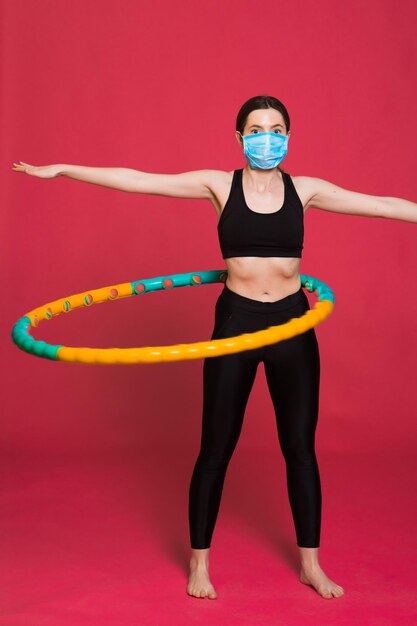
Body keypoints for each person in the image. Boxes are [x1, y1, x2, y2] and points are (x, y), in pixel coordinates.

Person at [12, 94, 417, 601]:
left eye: (274, 128)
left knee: (301, 450)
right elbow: (140, 179)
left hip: (293, 324)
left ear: (289, 135)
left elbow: (381, 206)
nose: (265, 137)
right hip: (236, 321)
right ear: (239, 137)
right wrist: (66, 169)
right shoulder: (218, 185)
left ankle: (312, 564)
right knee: (216, 448)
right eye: (255, 129)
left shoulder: (307, 189)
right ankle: (199, 564)